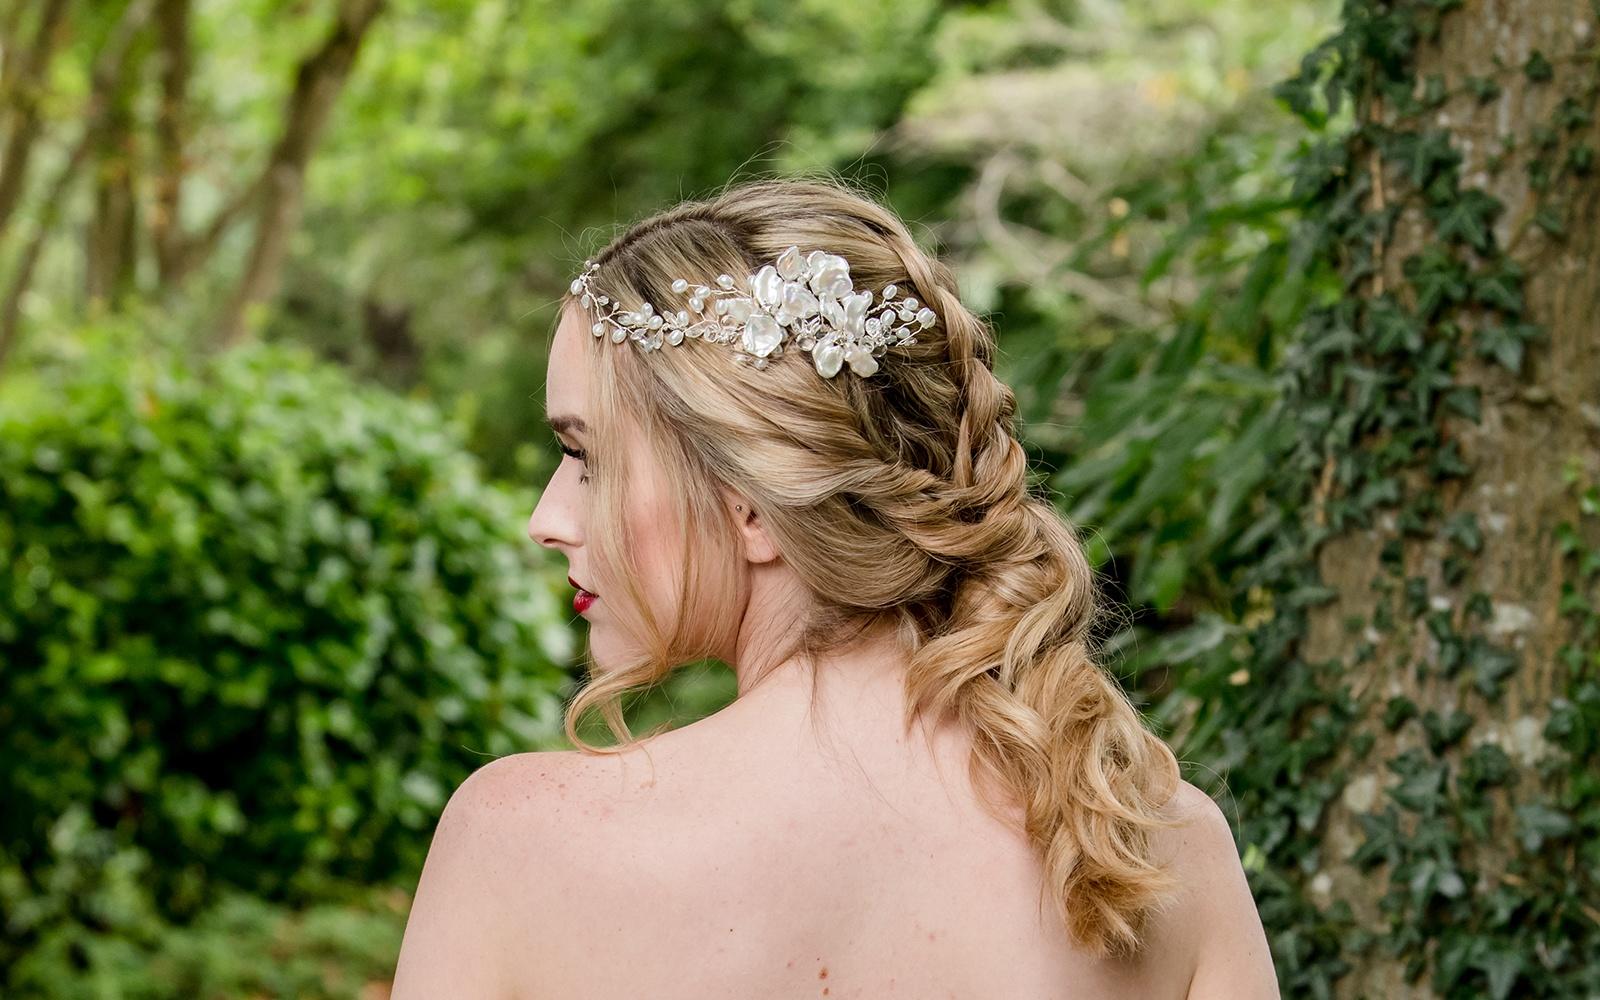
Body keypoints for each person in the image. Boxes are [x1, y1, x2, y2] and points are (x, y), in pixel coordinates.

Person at [389, 176, 1278, 999]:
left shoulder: (519, 843)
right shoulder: (1157, 848)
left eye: (587, 457)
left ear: (749, 506)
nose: (547, 518)